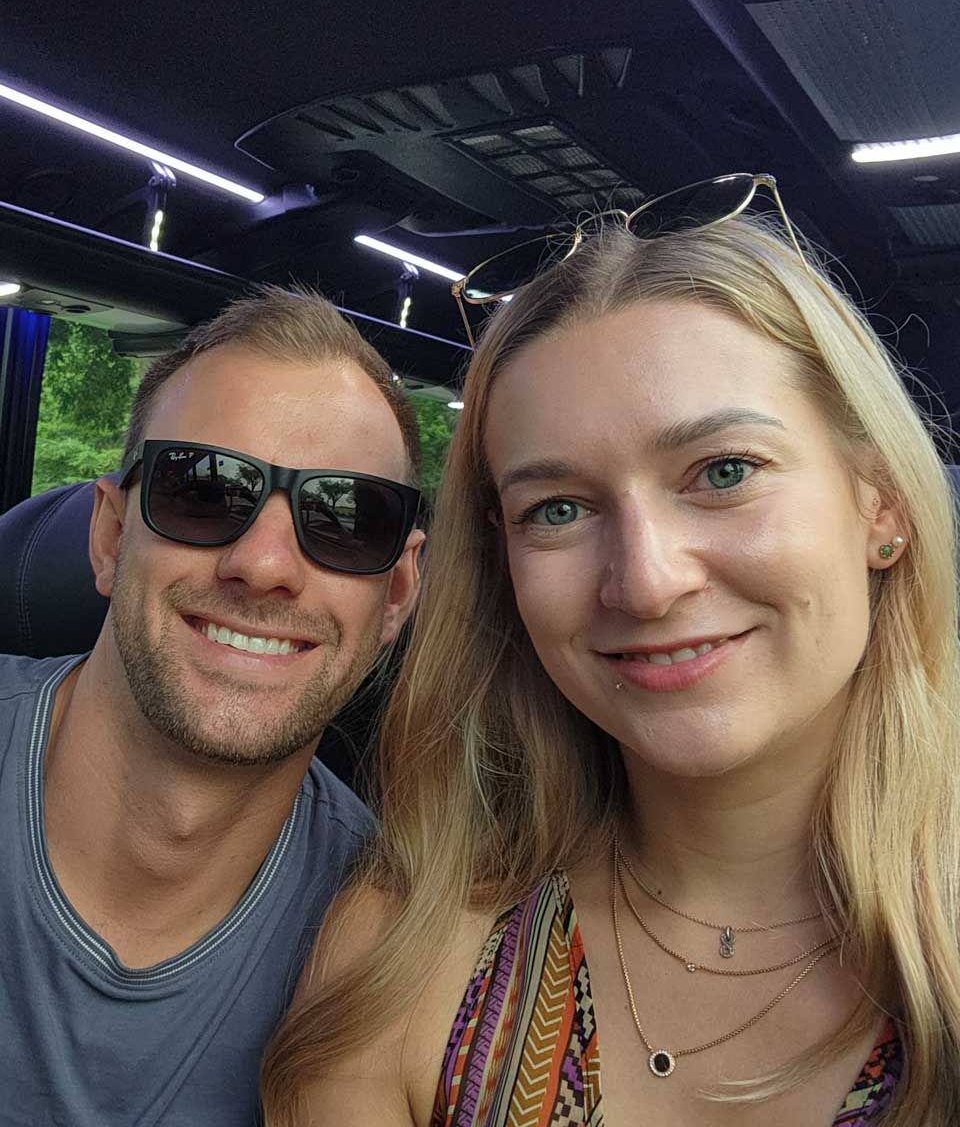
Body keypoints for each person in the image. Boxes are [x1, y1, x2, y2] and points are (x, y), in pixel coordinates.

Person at [262, 177, 960, 1127]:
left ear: (880, 503)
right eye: (558, 509)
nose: (646, 581)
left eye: (723, 472)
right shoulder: (396, 962)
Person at [0, 289, 424, 1124]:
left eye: (344, 519)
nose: (264, 564)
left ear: (398, 595)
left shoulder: (395, 958)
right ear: (112, 539)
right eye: (204, 489)